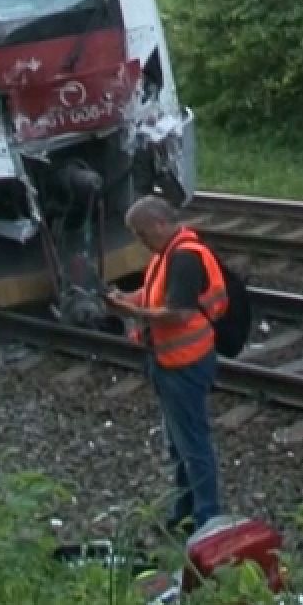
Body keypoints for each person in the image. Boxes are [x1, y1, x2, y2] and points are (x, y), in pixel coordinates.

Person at [106, 195, 227, 535]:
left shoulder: (185, 257)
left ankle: (207, 519)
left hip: (184, 364)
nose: (141, 242)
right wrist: (127, 298)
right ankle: (185, 512)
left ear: (160, 224)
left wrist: (134, 314)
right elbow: (156, 294)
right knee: (178, 444)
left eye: (142, 234)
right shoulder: (168, 253)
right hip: (170, 361)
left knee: (193, 444)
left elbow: (179, 312)